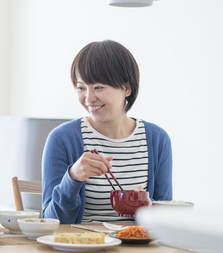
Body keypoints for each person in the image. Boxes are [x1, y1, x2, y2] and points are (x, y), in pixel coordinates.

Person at [41, 40, 172, 224]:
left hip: (137, 249)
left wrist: (150, 213)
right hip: (82, 249)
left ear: (126, 88)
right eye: (81, 87)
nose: (88, 98)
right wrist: (73, 178)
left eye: (98, 87)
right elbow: (49, 222)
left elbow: (166, 217)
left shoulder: (157, 140)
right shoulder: (62, 139)